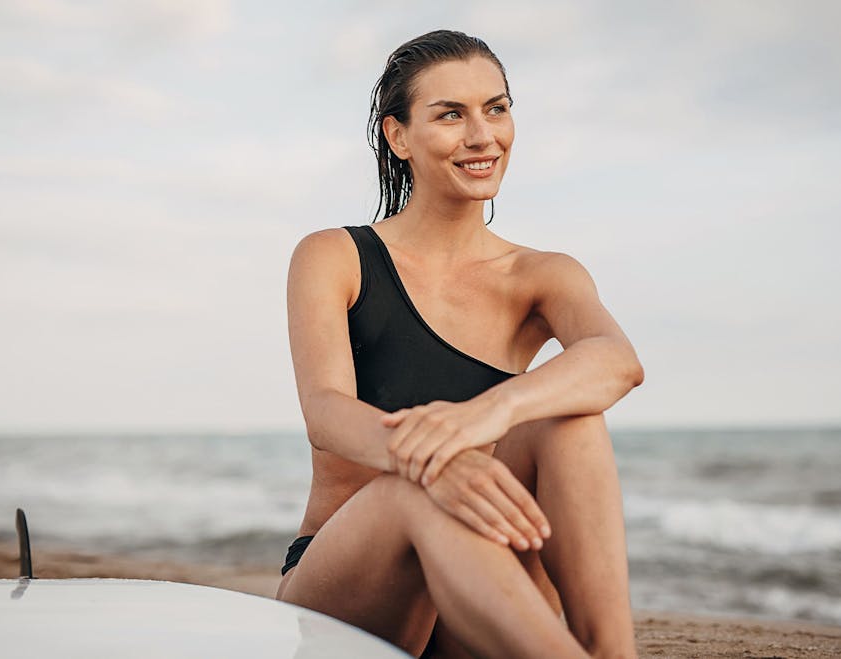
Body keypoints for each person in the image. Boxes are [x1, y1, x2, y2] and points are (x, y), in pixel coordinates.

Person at [275, 29, 644, 659]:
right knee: (416, 491)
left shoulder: (541, 275)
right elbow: (327, 415)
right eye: (451, 115)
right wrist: (435, 459)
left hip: (480, 585)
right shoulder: (336, 256)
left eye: (496, 109)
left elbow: (617, 361)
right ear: (399, 137)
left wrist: (484, 416)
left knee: (569, 421)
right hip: (353, 595)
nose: (482, 137)